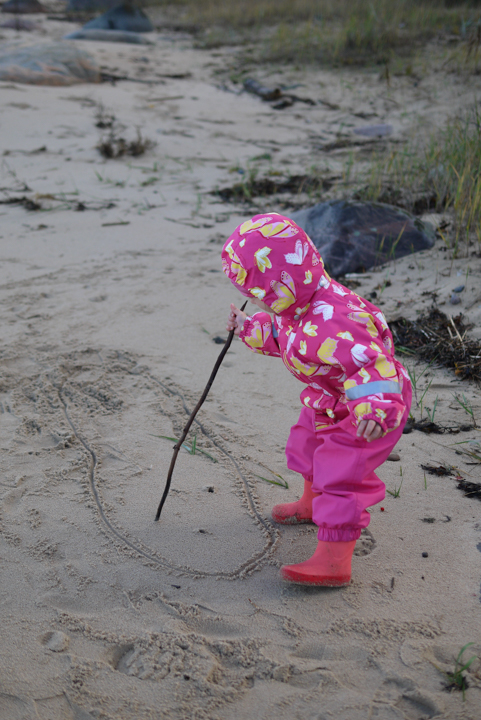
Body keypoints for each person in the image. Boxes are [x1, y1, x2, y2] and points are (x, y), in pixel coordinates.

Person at [222, 212, 412, 587]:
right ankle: (310, 504)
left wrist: (375, 407)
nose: (259, 302)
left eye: (260, 294)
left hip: (368, 406)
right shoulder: (297, 304)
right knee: (307, 443)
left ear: (282, 282)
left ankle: (334, 560)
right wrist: (247, 327)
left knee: (342, 473)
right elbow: (284, 336)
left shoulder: (338, 320)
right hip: (330, 397)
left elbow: (372, 364)